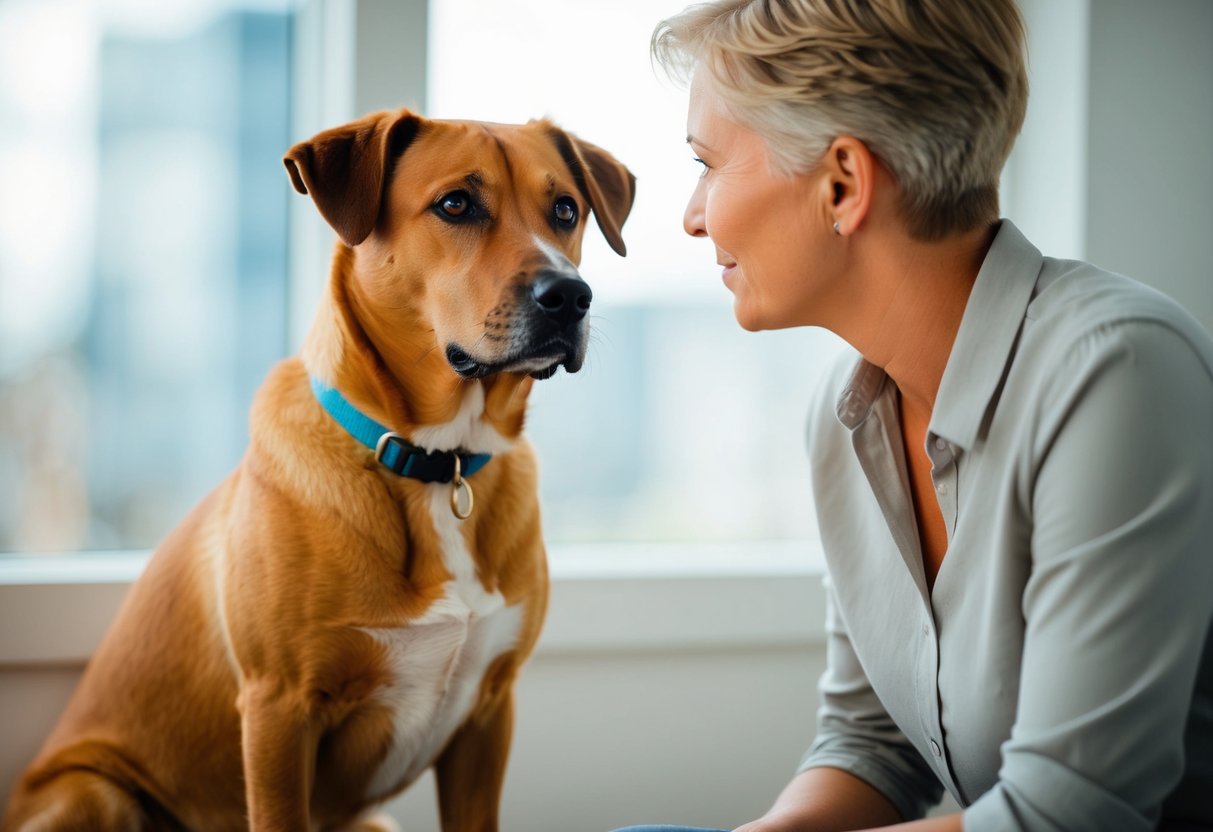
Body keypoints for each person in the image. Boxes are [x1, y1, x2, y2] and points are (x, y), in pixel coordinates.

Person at [613, 1, 1213, 830]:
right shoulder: (842, 414)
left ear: (843, 183)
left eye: (708, 164)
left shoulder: (1116, 370)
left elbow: (1071, 815)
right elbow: (871, 745)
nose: (690, 214)